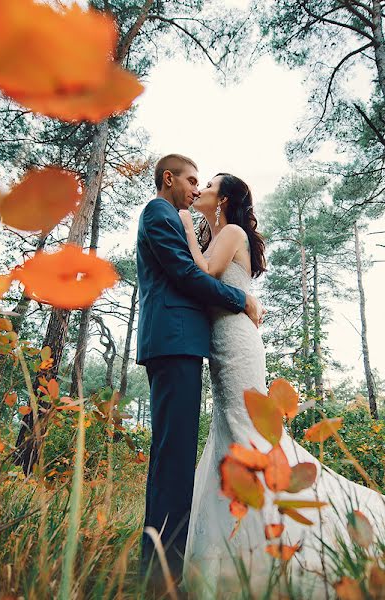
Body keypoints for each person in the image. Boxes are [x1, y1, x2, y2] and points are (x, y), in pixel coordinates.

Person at [178, 173, 385, 598]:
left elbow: (207, 270)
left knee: (247, 433)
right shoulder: (221, 233)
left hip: (236, 340)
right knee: (228, 434)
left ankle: (277, 541)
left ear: (225, 197)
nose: (201, 189)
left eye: (209, 183)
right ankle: (233, 551)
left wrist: (182, 225)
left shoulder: (231, 232)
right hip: (223, 341)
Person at [135, 155, 264, 588]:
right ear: (167, 179)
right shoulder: (159, 212)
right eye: (191, 179)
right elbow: (187, 274)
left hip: (186, 344)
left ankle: (166, 566)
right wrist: (238, 299)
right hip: (173, 343)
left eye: (202, 182)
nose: (195, 187)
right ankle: (160, 575)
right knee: (173, 460)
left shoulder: (198, 224)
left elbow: (196, 269)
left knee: (177, 455)